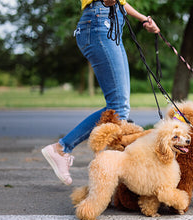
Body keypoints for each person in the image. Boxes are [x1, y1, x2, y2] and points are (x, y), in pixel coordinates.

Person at [41, 0, 160, 185]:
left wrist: (144, 19)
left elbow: (122, 2)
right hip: (99, 22)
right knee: (118, 107)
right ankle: (61, 149)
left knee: (121, 108)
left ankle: (116, 175)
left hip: (110, 23)